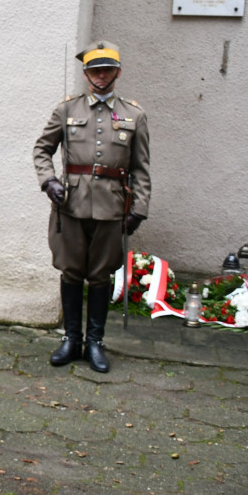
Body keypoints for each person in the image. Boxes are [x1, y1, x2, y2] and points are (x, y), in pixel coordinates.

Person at [33, 40, 150, 373]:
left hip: (113, 206)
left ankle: (95, 343)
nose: (101, 75)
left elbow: (141, 167)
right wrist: (48, 181)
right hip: (70, 203)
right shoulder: (66, 110)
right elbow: (42, 150)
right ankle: (71, 339)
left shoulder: (134, 115)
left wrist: (139, 206)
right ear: (86, 73)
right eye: (94, 70)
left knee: (101, 275)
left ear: (118, 72)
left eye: (107, 69)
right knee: (71, 270)